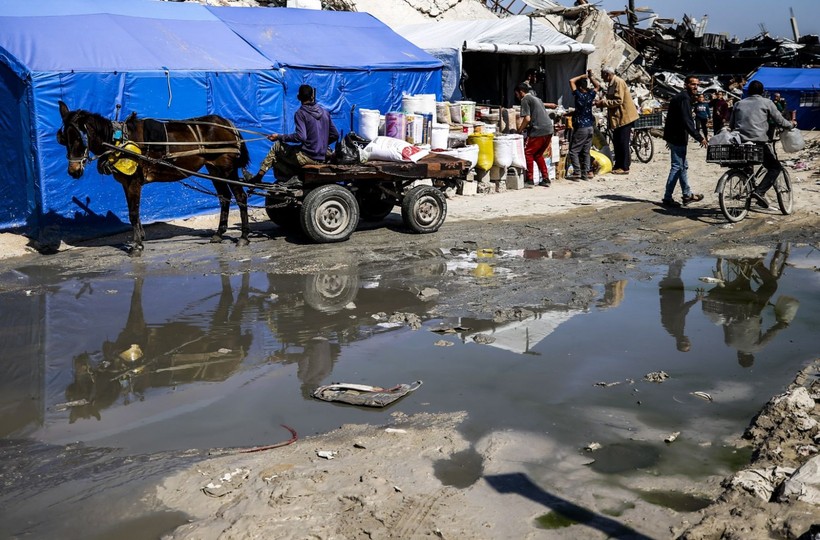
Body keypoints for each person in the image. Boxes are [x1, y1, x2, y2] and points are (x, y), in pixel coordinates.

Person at [248, 84, 339, 186]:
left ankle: (258, 177)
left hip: (307, 157)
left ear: (298, 97)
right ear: (312, 96)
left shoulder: (301, 113)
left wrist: (279, 137)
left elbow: (301, 136)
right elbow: (335, 135)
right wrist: (321, 144)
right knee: (293, 150)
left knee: (277, 146)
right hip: (322, 157)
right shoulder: (325, 112)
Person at [730, 80, 797, 208]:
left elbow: (732, 125)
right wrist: (791, 124)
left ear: (748, 91)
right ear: (762, 92)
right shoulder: (767, 102)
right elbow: (780, 121)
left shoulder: (738, 103)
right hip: (758, 141)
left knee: (748, 165)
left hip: (740, 142)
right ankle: (759, 192)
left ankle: (748, 188)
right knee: (775, 167)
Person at [661, 75, 707, 208]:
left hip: (674, 136)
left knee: (683, 166)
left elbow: (672, 119)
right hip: (678, 137)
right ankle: (667, 197)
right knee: (677, 167)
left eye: (697, 84)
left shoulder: (680, 97)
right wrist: (700, 137)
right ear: (686, 84)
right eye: (693, 84)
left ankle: (687, 195)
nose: (695, 87)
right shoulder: (684, 99)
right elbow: (687, 121)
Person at [594, 66, 639, 175]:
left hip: (624, 117)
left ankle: (624, 167)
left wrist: (603, 103)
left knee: (623, 142)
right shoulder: (612, 83)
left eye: (602, 75)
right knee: (617, 142)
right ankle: (619, 165)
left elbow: (619, 100)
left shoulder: (618, 82)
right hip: (617, 118)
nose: (602, 77)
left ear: (607, 74)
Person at [514, 83, 557, 186]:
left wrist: (519, 130)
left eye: (516, 94)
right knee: (538, 154)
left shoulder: (525, 100)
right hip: (548, 129)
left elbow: (527, 118)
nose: (516, 97)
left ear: (521, 92)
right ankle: (546, 178)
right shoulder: (536, 99)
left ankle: (530, 180)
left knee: (528, 153)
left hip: (538, 130)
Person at [658, 260, 701, 352]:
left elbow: (682, 311)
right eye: (688, 344)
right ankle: (675, 257)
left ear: (680, 342)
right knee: (673, 273)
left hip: (673, 294)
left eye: (686, 343)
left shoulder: (676, 329)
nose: (688, 341)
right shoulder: (672, 330)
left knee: (674, 272)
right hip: (667, 295)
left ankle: (676, 256)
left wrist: (695, 300)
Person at [567, 70, 600, 180]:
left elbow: (571, 81)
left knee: (574, 151)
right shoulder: (590, 94)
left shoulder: (578, 95)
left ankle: (577, 172)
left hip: (581, 127)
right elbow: (597, 86)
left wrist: (582, 76)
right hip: (590, 126)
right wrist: (590, 77)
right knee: (586, 151)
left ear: (580, 87)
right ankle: (585, 173)